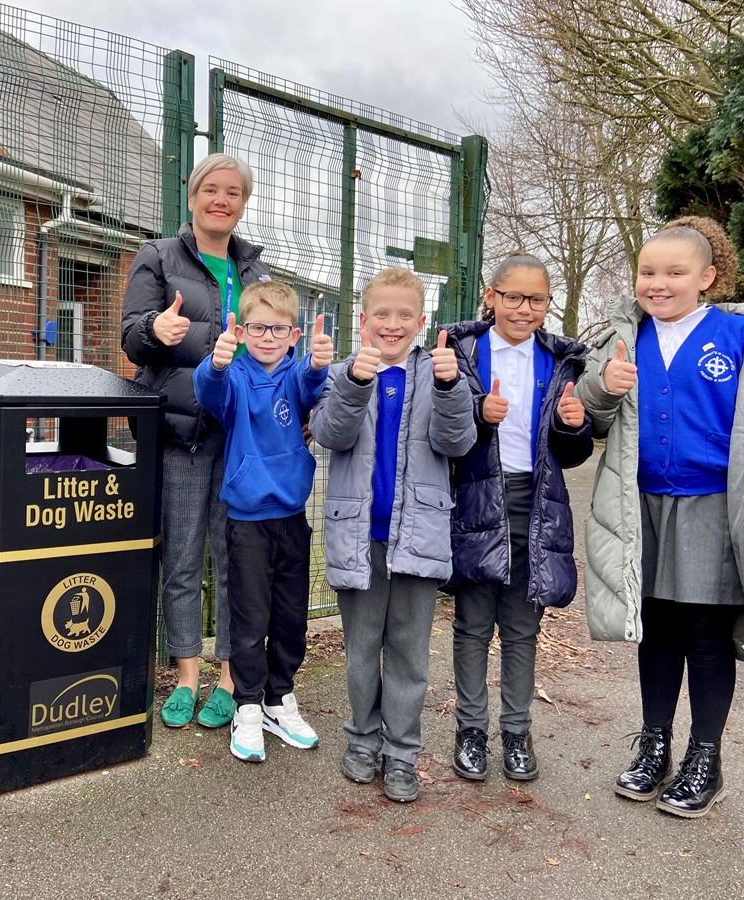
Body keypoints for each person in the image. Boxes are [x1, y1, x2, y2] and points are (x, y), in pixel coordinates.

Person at [575, 216, 744, 818]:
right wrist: (602, 389)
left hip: (717, 506)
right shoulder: (619, 338)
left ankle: (704, 757)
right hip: (642, 511)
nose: (658, 285)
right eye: (648, 273)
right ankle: (654, 744)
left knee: (707, 638)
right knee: (656, 632)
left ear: (708, 277)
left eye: (675, 273)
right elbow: (586, 416)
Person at [309, 267, 476, 802]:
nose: (393, 323)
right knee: (361, 648)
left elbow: (459, 443)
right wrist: (357, 384)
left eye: (406, 315)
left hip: (418, 538)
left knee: (408, 652)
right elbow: (330, 434)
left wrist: (451, 389)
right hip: (359, 538)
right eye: (382, 313)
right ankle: (361, 740)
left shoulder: (442, 372)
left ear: (422, 322)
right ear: (362, 319)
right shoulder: (342, 374)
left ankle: (402, 753)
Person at [121, 153, 271, 730]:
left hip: (241, 441)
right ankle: (186, 676)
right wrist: (155, 329)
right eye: (211, 189)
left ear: (242, 203)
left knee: (235, 560)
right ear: (192, 196)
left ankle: (230, 677)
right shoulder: (159, 256)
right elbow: (133, 339)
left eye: (233, 193)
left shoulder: (257, 274)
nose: (222, 200)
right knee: (182, 558)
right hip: (181, 433)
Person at [443, 252, 593, 783]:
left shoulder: (563, 362)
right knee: (473, 622)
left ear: (547, 304)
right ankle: (470, 730)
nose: (523, 309)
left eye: (536, 299)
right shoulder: (459, 352)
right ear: (490, 296)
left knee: (523, 624)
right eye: (513, 297)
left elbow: (571, 454)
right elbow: (442, 434)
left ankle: (516, 731)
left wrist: (575, 427)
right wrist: (477, 416)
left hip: (537, 500)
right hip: (476, 498)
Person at [193, 281, 333, 762]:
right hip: (248, 522)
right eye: (257, 327)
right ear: (243, 329)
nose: (267, 336)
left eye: (277, 328)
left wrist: (318, 363)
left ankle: (279, 699)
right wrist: (214, 362)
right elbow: (209, 392)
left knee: (291, 620)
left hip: (292, 519)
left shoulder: (296, 375)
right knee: (250, 620)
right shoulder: (234, 376)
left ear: (293, 334)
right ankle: (247, 706)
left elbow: (314, 386)